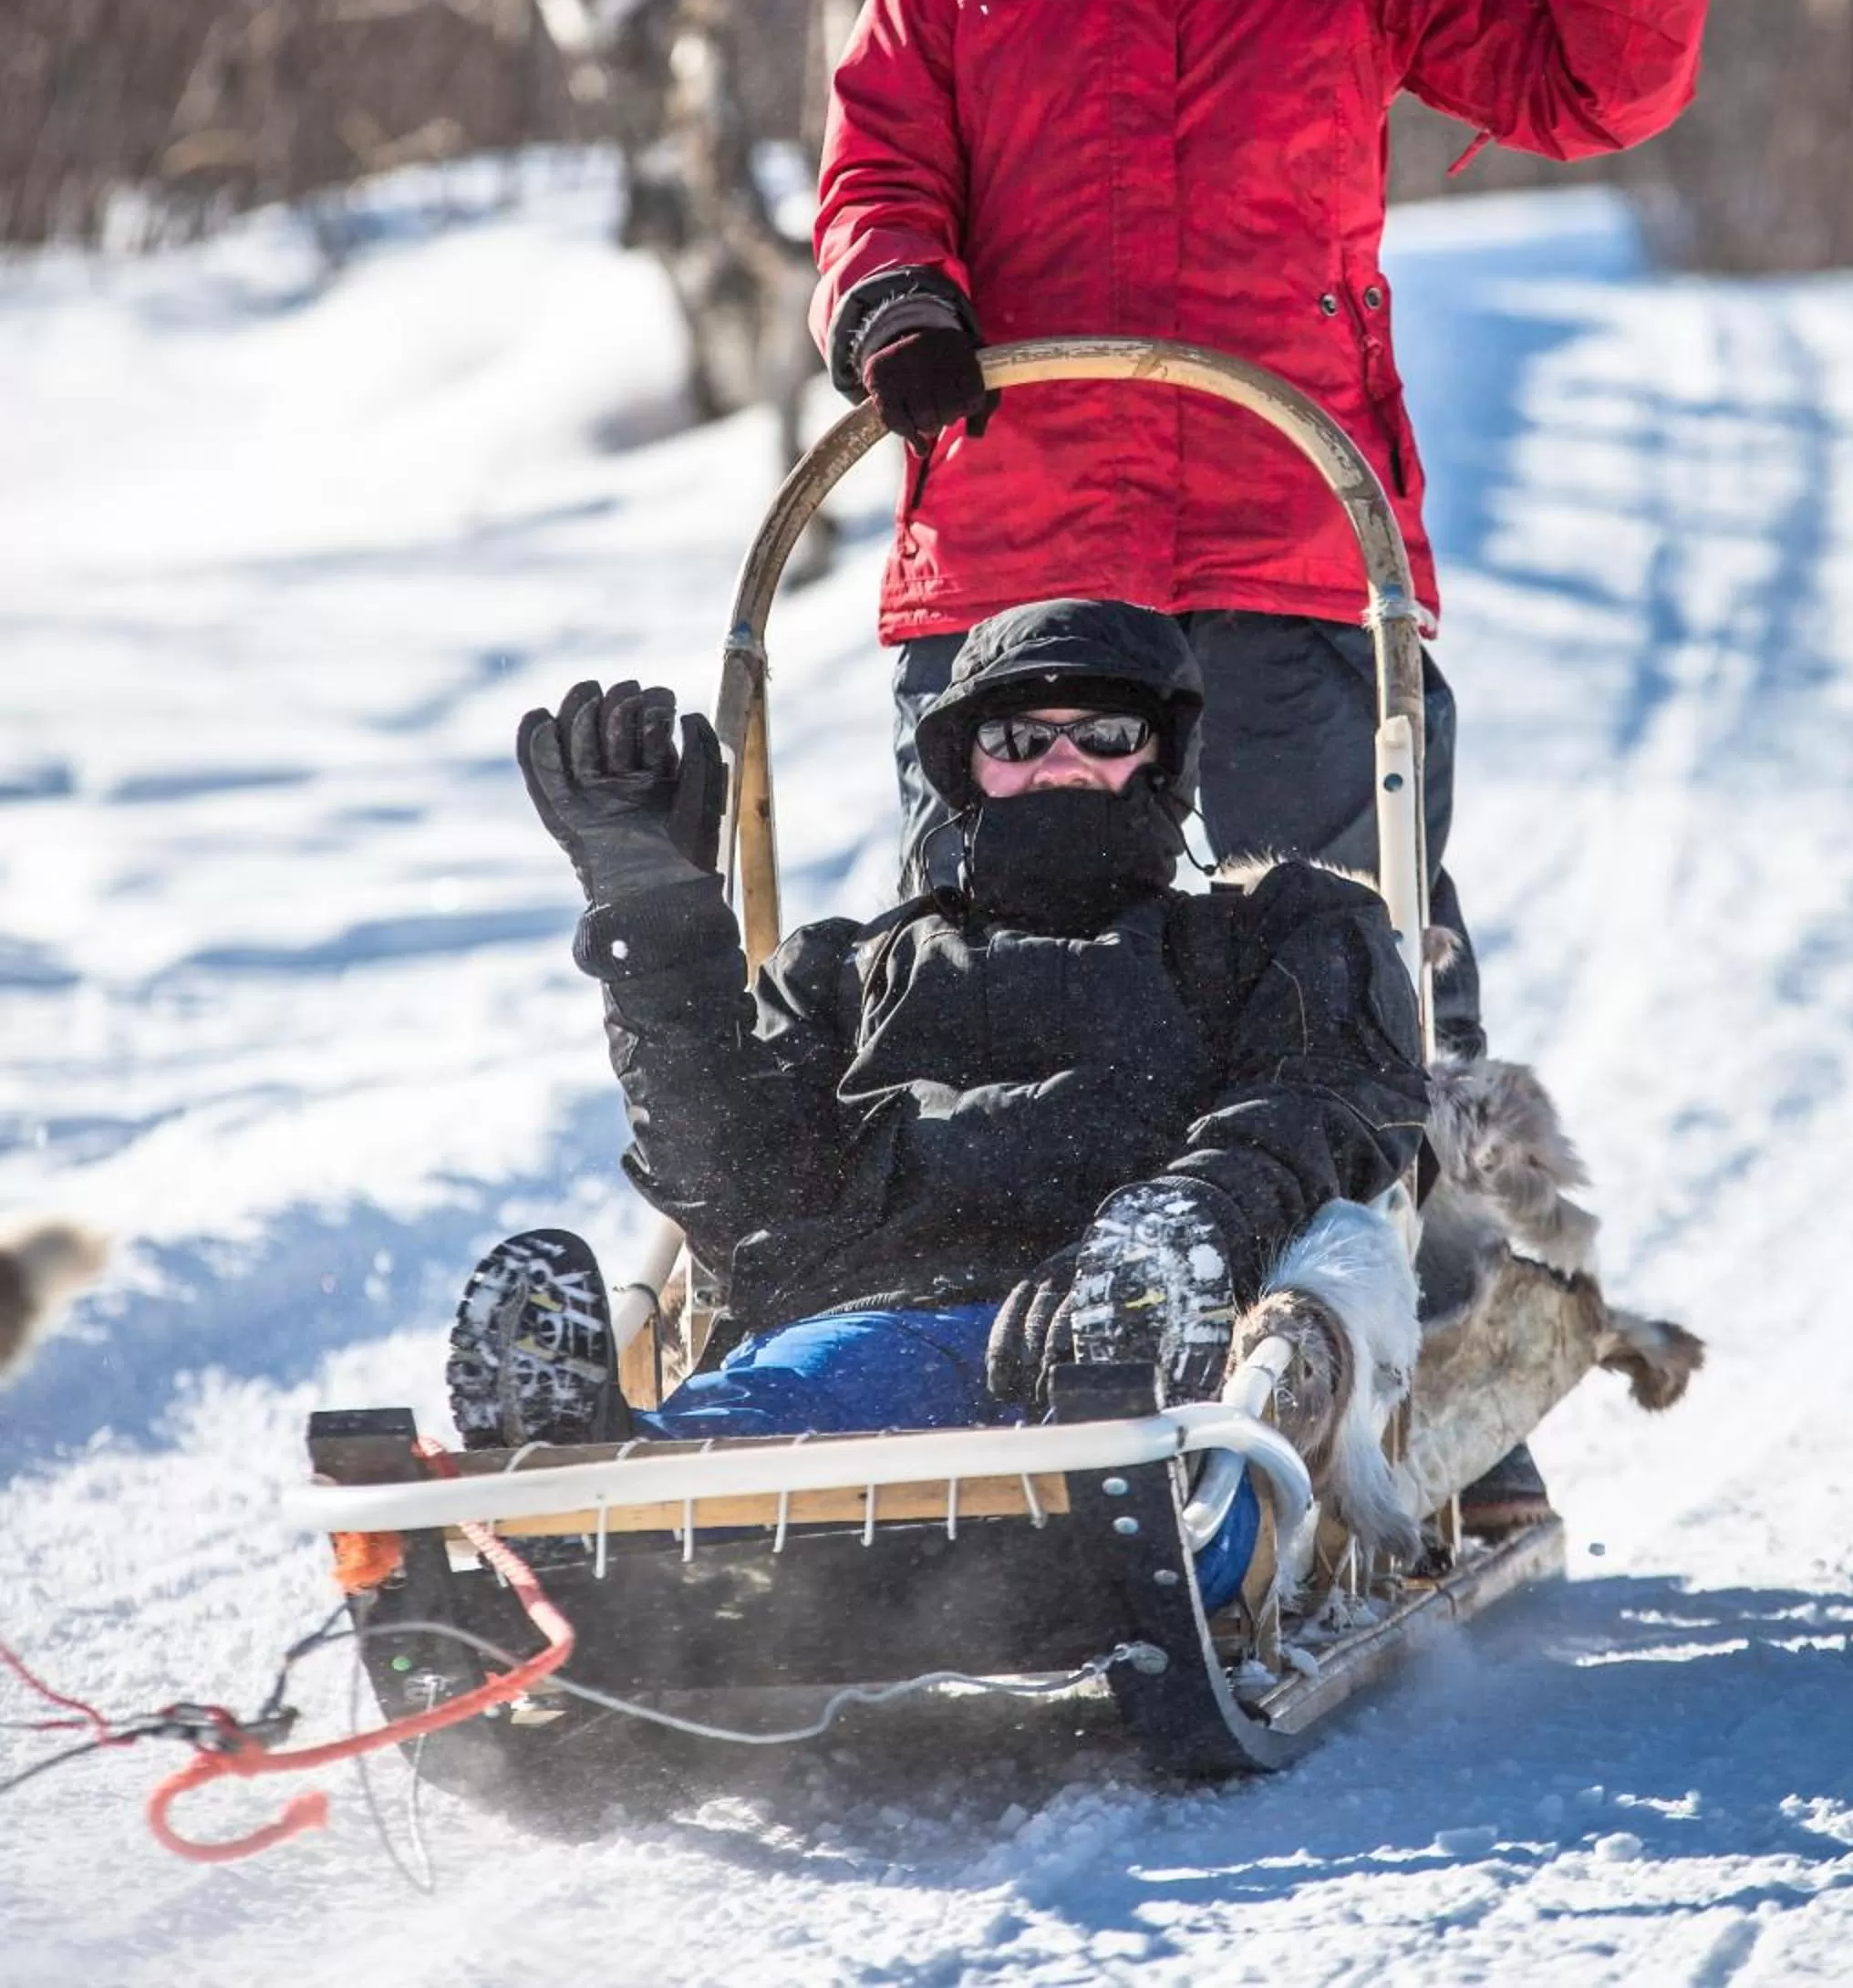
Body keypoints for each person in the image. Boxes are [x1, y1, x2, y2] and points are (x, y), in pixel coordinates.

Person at [811, 0, 1744, 1069]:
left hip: (1283, 539)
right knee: (984, 986)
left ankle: (1405, 1273)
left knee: (1335, 968)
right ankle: (966, 1283)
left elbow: (1570, 86)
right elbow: (875, 172)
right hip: (1016, 550)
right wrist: (894, 296)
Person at [447, 601, 1429, 1606]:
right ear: (968, 765)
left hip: (1134, 1334)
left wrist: (1179, 1221)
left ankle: (1103, 1537)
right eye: (1015, 739)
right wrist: (655, 926)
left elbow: (1331, 1097)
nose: (1060, 763)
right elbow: (732, 1179)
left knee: (1114, 1419)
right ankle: (591, 1495)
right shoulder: (848, 972)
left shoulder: (1270, 937)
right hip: (880, 1314)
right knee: (803, 1392)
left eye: (1104, 735)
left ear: (1164, 760)